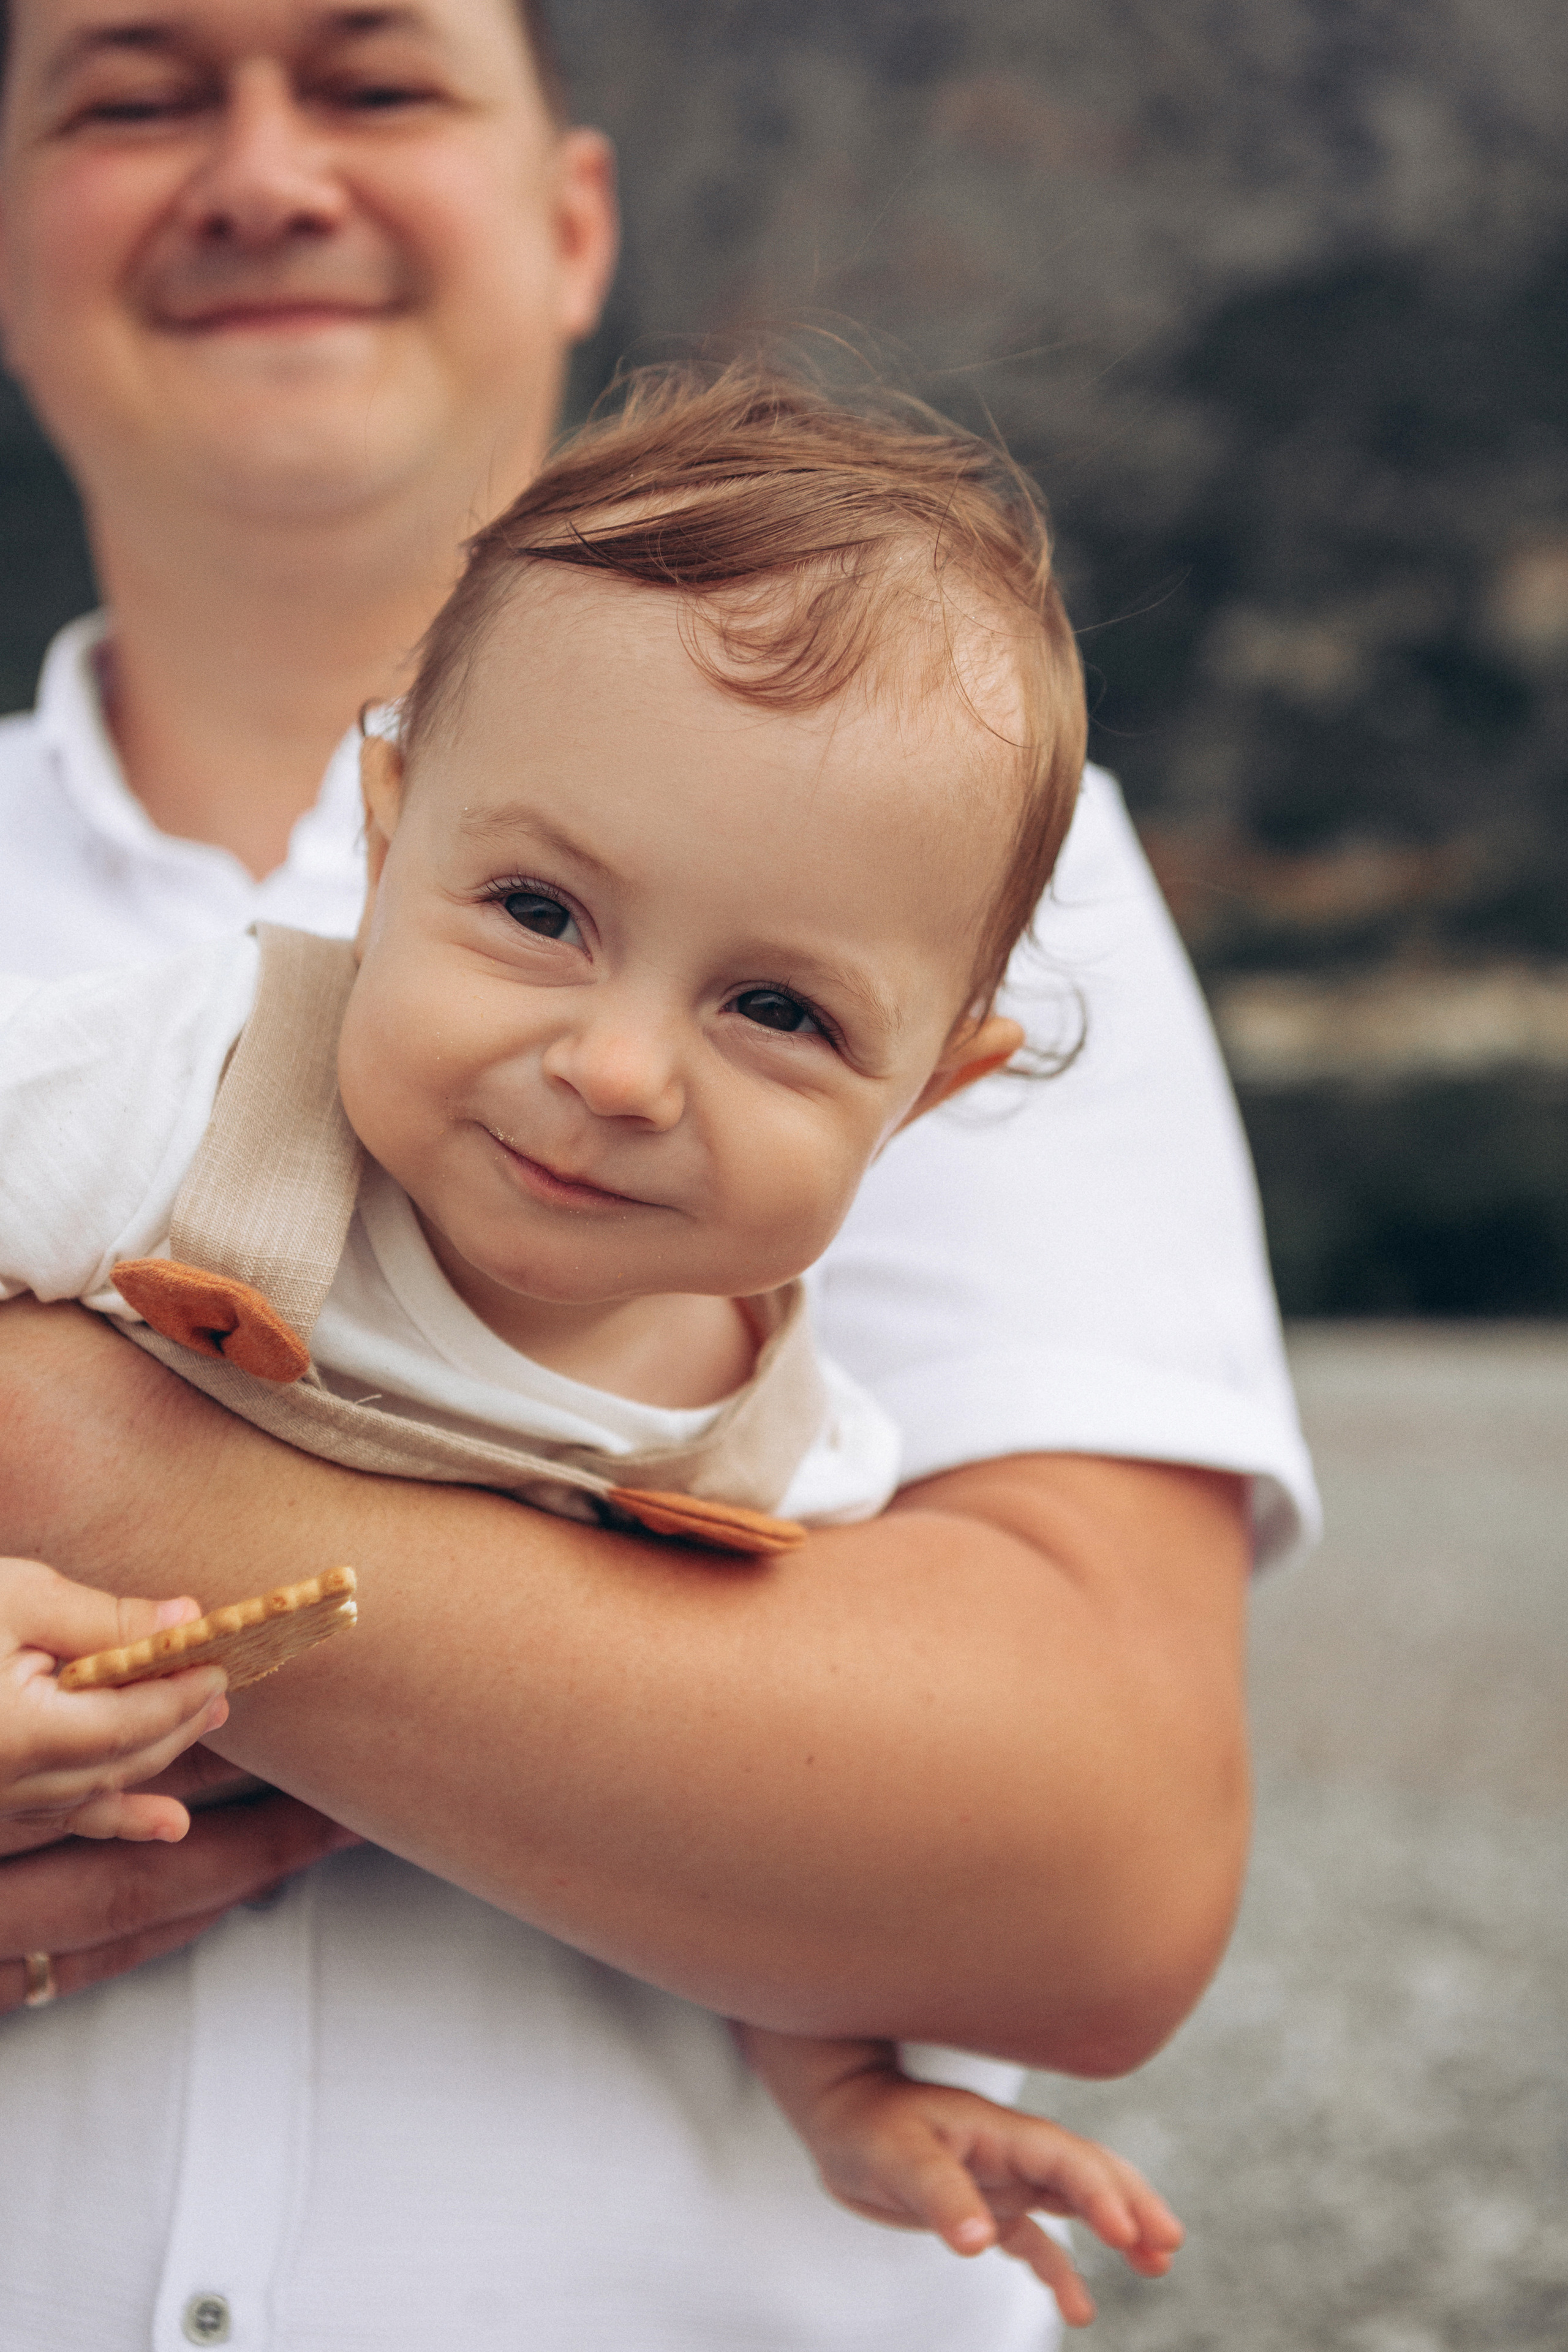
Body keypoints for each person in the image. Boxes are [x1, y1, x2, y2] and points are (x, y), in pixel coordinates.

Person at [0, 4, 1316, 2346]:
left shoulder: (982, 880)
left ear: (946, 1086)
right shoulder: (191, 1060)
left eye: (378, 82)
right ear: (398, 831)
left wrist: (852, 2087)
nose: (617, 1075)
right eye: (134, 94)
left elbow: (1057, 1856)